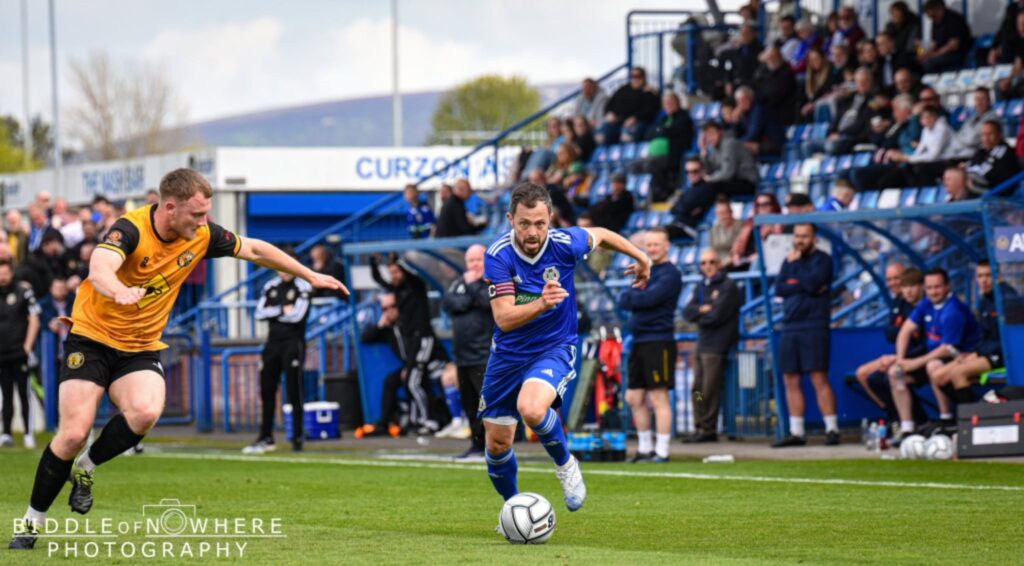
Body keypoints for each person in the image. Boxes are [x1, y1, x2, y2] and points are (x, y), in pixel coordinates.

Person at [7, 168, 348, 551]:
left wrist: (308, 275)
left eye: (206, 214)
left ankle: (86, 467)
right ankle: (31, 522)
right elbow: (100, 266)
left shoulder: (200, 236)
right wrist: (118, 290)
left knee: (145, 412)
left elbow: (253, 249)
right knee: (71, 434)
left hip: (140, 345)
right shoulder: (131, 229)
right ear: (169, 207)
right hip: (91, 339)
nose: (204, 223)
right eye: (197, 214)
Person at [482, 182, 650, 521]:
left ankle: (566, 464)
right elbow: (503, 317)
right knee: (497, 445)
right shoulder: (498, 256)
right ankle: (514, 510)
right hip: (507, 355)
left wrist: (641, 257)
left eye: (540, 223)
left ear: (550, 219)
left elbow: (601, 234)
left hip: (554, 347)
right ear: (510, 219)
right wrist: (543, 303)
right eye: (524, 223)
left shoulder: (565, 244)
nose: (533, 232)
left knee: (530, 408)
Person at [889, 268, 980, 441]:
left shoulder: (953, 310)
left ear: (947, 286)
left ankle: (945, 417)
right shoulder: (926, 304)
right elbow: (905, 331)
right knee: (895, 373)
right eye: (929, 288)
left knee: (934, 365)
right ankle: (907, 428)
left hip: (960, 357)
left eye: (937, 287)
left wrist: (915, 363)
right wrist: (901, 359)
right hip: (932, 356)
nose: (933, 292)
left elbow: (947, 348)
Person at [772, 224, 839, 447]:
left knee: (818, 377)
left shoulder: (823, 260)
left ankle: (832, 428)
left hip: (814, 324)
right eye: (797, 236)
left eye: (804, 236)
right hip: (790, 325)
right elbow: (780, 288)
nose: (800, 240)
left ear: (813, 238)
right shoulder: (788, 260)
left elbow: (812, 284)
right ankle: (796, 431)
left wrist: (796, 276)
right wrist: (799, 282)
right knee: (790, 378)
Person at [619, 228, 682, 462]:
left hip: (659, 340)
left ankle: (662, 450)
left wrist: (636, 299)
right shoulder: (645, 270)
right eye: (649, 244)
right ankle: (644, 448)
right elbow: (625, 299)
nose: (652, 249)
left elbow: (648, 299)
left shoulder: (671, 274)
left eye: (656, 244)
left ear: (667, 246)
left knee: (658, 398)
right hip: (639, 340)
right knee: (634, 398)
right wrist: (637, 300)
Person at [243, 255, 314, 454]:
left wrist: (274, 311)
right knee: (266, 390)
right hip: (272, 344)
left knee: (294, 391)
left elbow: (297, 315)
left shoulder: (303, 287)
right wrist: (282, 309)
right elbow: (258, 313)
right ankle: (266, 436)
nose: (284, 270)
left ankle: (298, 437)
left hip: (293, 344)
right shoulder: (270, 286)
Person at [369, 252, 444, 433]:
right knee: (415, 381)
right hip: (413, 342)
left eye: (396, 272)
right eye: (391, 272)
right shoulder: (397, 291)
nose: (394, 276)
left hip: (424, 339)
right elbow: (379, 279)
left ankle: (429, 420)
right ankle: (417, 419)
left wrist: (398, 261)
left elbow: (412, 274)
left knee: (413, 382)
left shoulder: (416, 286)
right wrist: (373, 262)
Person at [929, 261, 1017, 411]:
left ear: (998, 276)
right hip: (986, 352)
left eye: (988, 275)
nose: (984, 280)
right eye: (980, 276)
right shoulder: (983, 301)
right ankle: (975, 407)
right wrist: (973, 354)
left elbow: (1007, 339)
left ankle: (974, 416)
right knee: (938, 376)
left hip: (1004, 355)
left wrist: (979, 353)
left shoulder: (1007, 298)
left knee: (958, 373)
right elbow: (983, 337)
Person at [358, 294, 449, 438]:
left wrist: (411, 366)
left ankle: (429, 420)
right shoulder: (390, 328)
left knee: (415, 381)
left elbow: (420, 348)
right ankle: (384, 423)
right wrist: (380, 325)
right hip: (411, 365)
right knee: (391, 380)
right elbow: (365, 338)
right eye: (384, 308)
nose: (389, 311)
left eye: (392, 307)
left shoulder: (411, 323)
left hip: (429, 362)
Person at [681, 248, 741, 443]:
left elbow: (717, 316)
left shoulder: (728, 286)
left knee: (710, 389)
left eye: (712, 262)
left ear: (719, 263)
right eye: (703, 263)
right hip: (703, 343)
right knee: (697, 389)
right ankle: (700, 426)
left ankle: (709, 429)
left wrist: (701, 314)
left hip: (717, 345)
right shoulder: (701, 286)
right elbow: (687, 312)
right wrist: (702, 310)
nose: (707, 266)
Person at [440, 245, 493, 460]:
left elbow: (487, 303)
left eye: (477, 260)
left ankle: (495, 446)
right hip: (462, 356)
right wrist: (470, 297)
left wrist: (472, 288)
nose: (473, 265)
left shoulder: (493, 281)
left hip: (484, 354)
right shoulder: (459, 282)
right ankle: (476, 445)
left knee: (487, 405)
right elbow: (448, 302)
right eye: (470, 261)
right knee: (470, 405)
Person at [853, 266, 927, 421]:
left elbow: (923, 341)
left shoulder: (923, 306)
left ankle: (914, 421)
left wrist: (897, 358)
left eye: (898, 279)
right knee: (864, 375)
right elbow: (890, 334)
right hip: (902, 356)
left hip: (919, 359)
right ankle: (895, 416)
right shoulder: (898, 302)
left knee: (887, 376)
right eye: (889, 279)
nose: (894, 284)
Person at [671, 122, 760, 230]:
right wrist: (703, 151)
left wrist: (709, 179)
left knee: (710, 187)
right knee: (703, 185)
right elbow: (708, 170)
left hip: (747, 182)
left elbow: (727, 173)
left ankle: (684, 212)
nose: (710, 138)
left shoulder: (729, 144)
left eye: (712, 134)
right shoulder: (714, 149)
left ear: (720, 132)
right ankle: (683, 213)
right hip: (729, 182)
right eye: (707, 135)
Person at [0, 261, 40, 450]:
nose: (2, 277)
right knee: (6, 395)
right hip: (2, 354)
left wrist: (27, 346)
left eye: (5, 273)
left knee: (24, 394)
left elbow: (34, 319)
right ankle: (6, 433)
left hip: (19, 352)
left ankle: (28, 434)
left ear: (11, 273)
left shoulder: (23, 293)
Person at [639, 92, 694, 202]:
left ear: (677, 103)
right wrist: (660, 131)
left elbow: (668, 131)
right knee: (634, 166)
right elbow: (648, 133)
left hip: (672, 154)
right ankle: (641, 195)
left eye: (671, 102)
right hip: (656, 155)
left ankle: (663, 192)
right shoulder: (663, 119)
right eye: (666, 103)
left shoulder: (683, 116)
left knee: (650, 164)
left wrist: (660, 131)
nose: (668, 105)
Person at [598, 66, 661, 145]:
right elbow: (609, 104)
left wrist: (635, 118)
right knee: (603, 131)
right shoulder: (623, 89)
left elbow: (651, 110)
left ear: (644, 78)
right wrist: (609, 113)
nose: (635, 79)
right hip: (618, 121)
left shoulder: (650, 92)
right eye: (633, 76)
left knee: (628, 132)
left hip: (638, 122)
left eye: (638, 76)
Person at [966, 119, 1021, 194]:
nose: (986, 138)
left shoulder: (1005, 152)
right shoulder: (981, 151)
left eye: (990, 134)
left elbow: (983, 176)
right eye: (983, 135)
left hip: (996, 197)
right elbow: (971, 169)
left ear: (999, 135)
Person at [919, 0, 972, 74]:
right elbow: (934, 43)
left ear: (939, 9)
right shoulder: (935, 21)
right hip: (942, 54)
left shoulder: (953, 19)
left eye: (932, 15)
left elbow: (953, 45)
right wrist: (926, 55)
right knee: (919, 62)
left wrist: (934, 55)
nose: (930, 18)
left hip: (957, 54)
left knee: (929, 64)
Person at [709, 197, 742, 266]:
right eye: (720, 213)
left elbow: (738, 248)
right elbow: (711, 250)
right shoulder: (714, 229)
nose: (723, 216)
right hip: (717, 263)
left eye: (725, 212)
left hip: (733, 262)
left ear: (731, 211)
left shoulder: (740, 226)